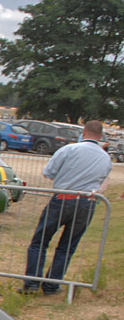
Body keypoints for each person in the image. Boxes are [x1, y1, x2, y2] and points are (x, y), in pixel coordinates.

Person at [21, 120, 112, 295]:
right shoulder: (105, 157)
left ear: (83, 132)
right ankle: (52, 285)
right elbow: (102, 180)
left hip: (63, 198)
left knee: (40, 241)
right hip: (87, 202)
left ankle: (32, 283)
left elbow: (48, 172)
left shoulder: (69, 149)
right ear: (100, 136)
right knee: (67, 246)